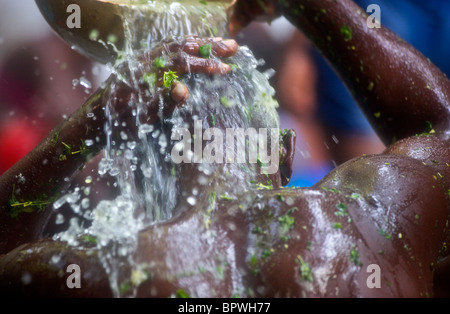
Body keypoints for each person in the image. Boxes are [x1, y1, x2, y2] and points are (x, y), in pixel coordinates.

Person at [0, 0, 449, 298]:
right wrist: (312, 6)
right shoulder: (371, 218)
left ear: (150, 173)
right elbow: (443, 127)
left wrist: (92, 123)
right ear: (284, 152)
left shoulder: (99, 273)